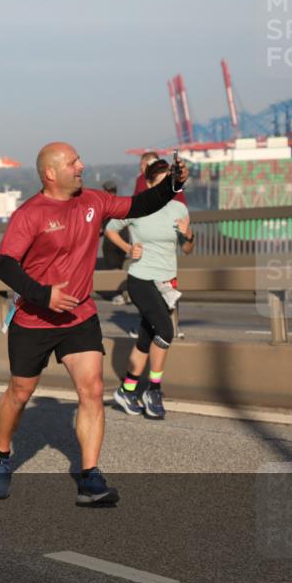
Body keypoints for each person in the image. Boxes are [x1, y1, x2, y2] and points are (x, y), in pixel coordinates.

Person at [0, 141, 188, 506]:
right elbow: (4, 266)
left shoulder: (94, 201)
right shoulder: (30, 214)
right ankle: (0, 454)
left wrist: (172, 184)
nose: (81, 165)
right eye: (73, 162)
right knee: (19, 392)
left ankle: (89, 476)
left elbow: (140, 205)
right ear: (51, 173)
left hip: (80, 315)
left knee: (92, 390)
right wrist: (43, 295)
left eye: (79, 160)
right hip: (34, 319)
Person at [106, 160, 194, 420]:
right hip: (141, 279)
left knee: (146, 337)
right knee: (166, 330)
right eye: (165, 180)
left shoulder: (179, 207)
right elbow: (110, 229)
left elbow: (188, 249)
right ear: (150, 183)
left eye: (172, 180)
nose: (170, 185)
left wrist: (189, 236)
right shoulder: (139, 206)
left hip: (166, 283)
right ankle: (153, 390)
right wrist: (127, 249)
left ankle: (128, 390)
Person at [98, 181, 131, 305]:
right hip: (123, 239)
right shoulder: (122, 203)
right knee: (120, 267)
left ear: (106, 191)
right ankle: (124, 291)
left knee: (113, 268)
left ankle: (119, 294)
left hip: (111, 242)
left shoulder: (105, 205)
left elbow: (102, 225)